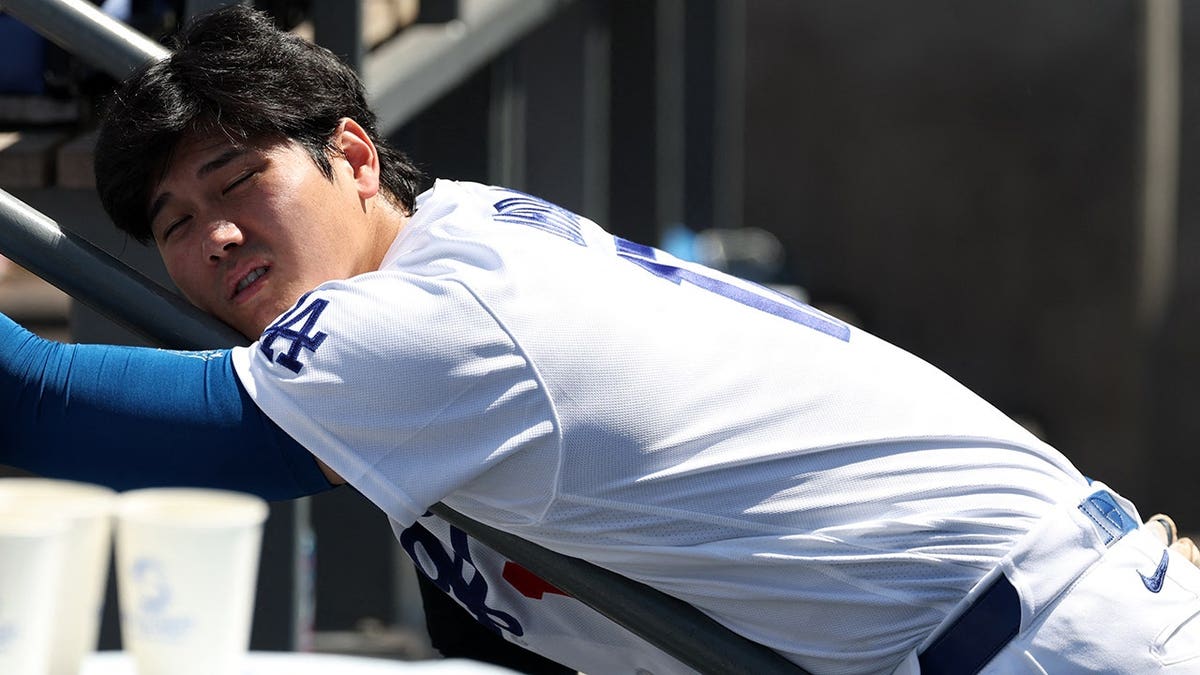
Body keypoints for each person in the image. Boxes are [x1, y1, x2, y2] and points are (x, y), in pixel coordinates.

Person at [2, 6, 1199, 674]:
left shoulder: (418, 325)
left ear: (356, 157)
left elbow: (42, 405)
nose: (212, 235)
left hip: (1046, 644)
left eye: (236, 180)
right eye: (172, 223)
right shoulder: (456, 231)